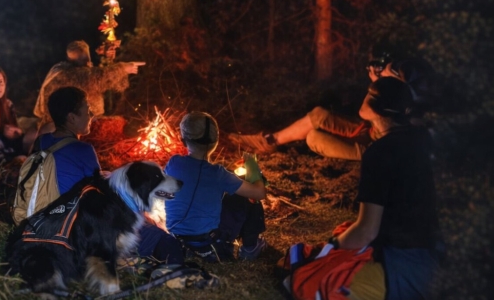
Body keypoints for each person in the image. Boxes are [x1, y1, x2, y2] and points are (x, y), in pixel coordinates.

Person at [311, 77, 441, 299]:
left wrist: (330, 247)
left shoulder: (380, 152)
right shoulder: (423, 138)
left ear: (376, 106)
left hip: (406, 261)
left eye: (369, 93)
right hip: (439, 251)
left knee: (318, 285)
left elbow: (366, 231)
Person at [40, 86, 184, 267]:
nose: (91, 115)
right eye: (87, 110)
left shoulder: (42, 141)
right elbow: (100, 193)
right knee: (164, 240)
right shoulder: (83, 149)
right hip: (79, 226)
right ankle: (170, 270)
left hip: (46, 219)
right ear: (72, 118)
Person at [234, 54, 437, 160]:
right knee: (319, 115)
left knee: (313, 137)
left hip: (373, 148)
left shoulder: (411, 106)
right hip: (369, 131)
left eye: (388, 73)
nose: (382, 73)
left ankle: (269, 141)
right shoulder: (400, 95)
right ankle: (268, 141)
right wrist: (380, 83)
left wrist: (379, 84)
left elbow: (369, 112)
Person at [164, 112, 268, 262]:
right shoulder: (218, 174)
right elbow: (259, 193)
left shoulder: (174, 163)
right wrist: (253, 169)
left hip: (177, 240)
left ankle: (190, 250)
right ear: (216, 142)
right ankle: (250, 248)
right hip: (210, 244)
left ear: (183, 141)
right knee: (246, 198)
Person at [33, 40, 145, 133]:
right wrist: (123, 68)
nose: (88, 64)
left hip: (66, 123)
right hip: (60, 127)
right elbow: (98, 77)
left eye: (88, 60)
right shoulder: (70, 75)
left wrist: (107, 57)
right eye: (85, 61)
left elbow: (92, 72)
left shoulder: (61, 68)